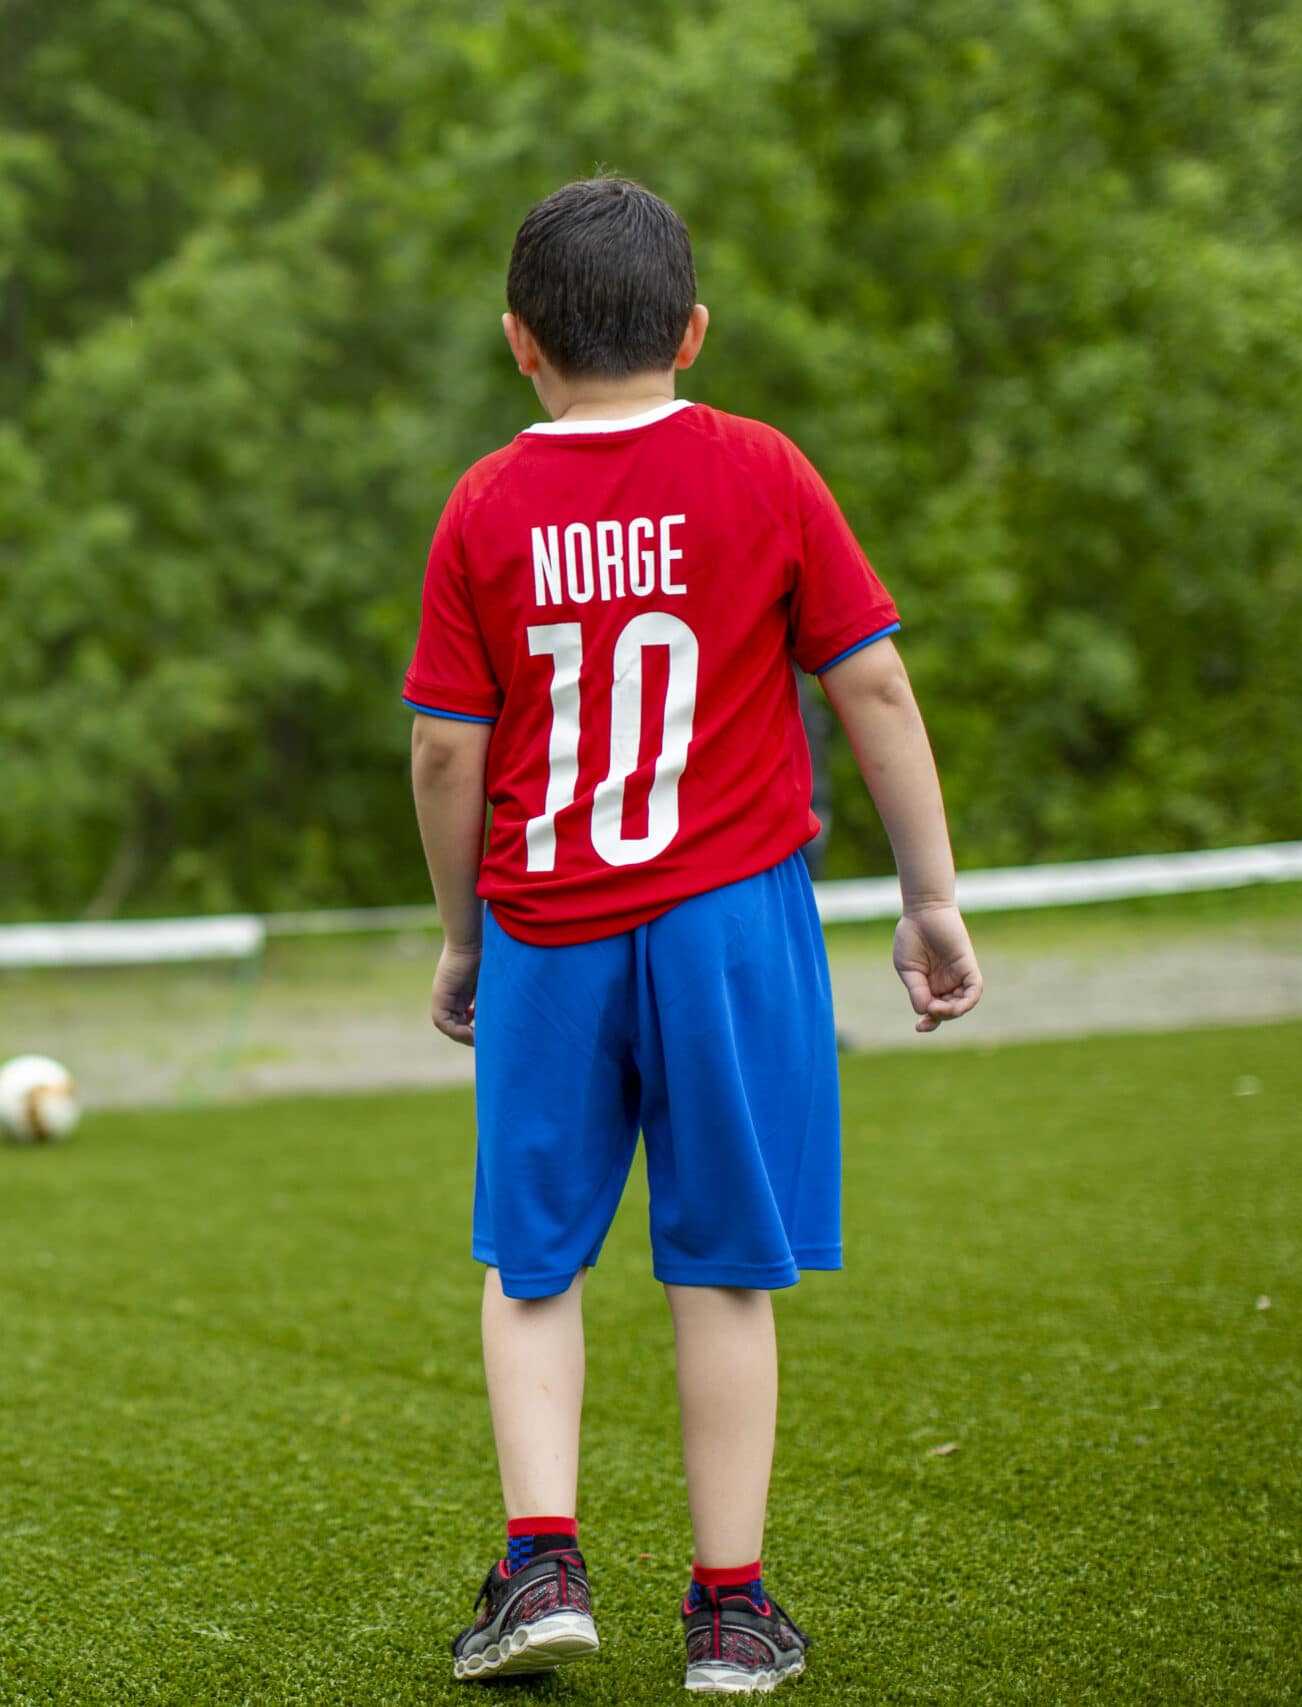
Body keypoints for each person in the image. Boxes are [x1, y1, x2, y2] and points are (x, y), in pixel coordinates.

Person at [401, 178, 982, 1693]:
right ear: (696, 331)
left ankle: (541, 1565)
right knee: (723, 1263)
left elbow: (446, 754)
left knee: (532, 1259)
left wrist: (464, 935)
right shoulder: (766, 469)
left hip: (548, 927)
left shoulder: (484, 503)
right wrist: (930, 893)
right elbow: (874, 689)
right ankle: (730, 1608)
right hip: (734, 924)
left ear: (519, 341)